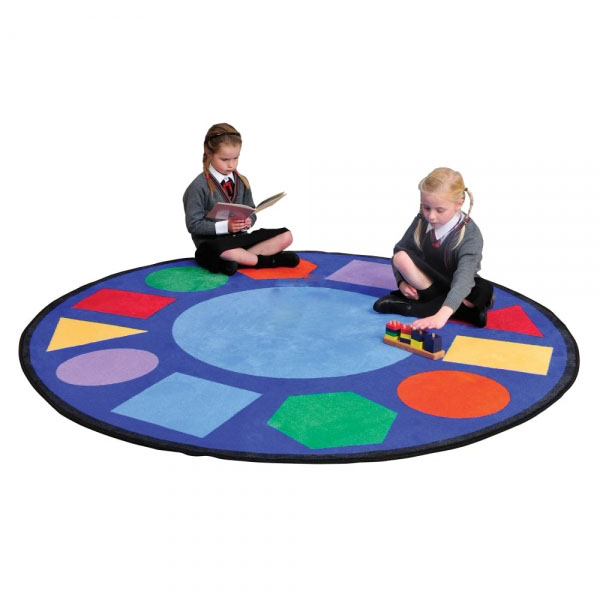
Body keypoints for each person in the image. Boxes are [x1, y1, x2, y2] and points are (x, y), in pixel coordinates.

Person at [373, 167, 494, 329]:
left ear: (459, 203)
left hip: (454, 283)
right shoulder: (422, 220)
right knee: (400, 258)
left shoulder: (471, 235)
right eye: (426, 207)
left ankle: (413, 308)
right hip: (427, 282)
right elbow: (400, 249)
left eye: (440, 210)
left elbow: (463, 279)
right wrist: (401, 283)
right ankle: (465, 312)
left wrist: (440, 317)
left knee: (482, 289)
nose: (431, 216)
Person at [183, 123, 299, 275]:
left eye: (235, 158)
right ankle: (270, 261)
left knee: (286, 236)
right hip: (214, 244)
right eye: (224, 159)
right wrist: (226, 227)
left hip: (240, 241)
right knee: (221, 251)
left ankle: (237, 262)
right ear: (208, 152)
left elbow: (251, 211)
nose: (231, 165)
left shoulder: (242, 182)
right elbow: (193, 225)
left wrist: (248, 221)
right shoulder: (198, 186)